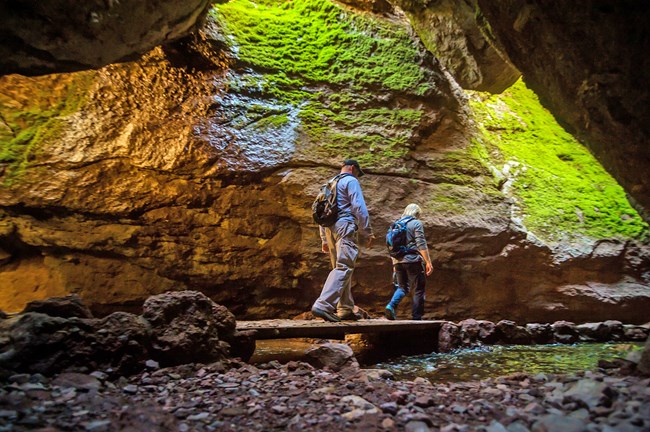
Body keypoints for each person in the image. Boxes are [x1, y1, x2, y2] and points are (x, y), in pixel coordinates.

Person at [312, 159, 375, 322]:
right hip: (345, 225)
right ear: (353, 168)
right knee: (344, 266)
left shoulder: (330, 182)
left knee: (340, 268)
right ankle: (323, 305)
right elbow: (359, 207)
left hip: (328, 228)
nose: (358, 177)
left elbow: (321, 210)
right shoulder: (351, 181)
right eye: (358, 173)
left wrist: (323, 239)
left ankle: (345, 308)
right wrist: (367, 231)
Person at [385, 203, 433, 321]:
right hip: (412, 260)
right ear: (417, 214)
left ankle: (391, 306)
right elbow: (421, 243)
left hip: (398, 261)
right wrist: (428, 262)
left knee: (402, 287)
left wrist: (394, 264)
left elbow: (390, 246)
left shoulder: (396, 225)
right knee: (418, 288)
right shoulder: (416, 223)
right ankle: (417, 317)